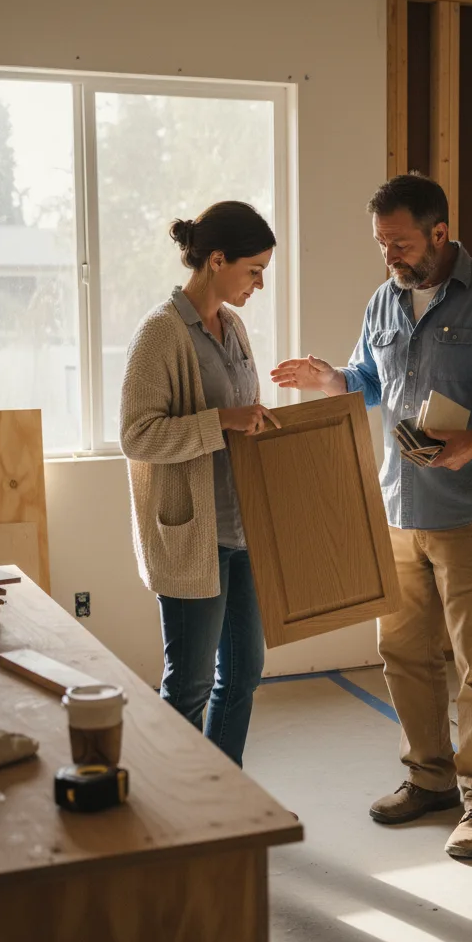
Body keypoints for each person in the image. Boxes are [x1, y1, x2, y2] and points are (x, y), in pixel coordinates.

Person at [271, 173, 472, 858]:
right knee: (403, 655)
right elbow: (371, 380)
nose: (389, 257)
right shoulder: (384, 301)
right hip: (399, 509)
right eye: (381, 244)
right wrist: (334, 382)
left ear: (440, 233)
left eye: (400, 243)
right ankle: (428, 779)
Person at [120, 201, 280, 768]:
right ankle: (176, 810)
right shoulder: (160, 335)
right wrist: (224, 423)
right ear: (217, 260)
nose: (259, 283)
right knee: (187, 686)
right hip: (193, 537)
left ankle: (222, 794)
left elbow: (240, 416)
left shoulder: (232, 327)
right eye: (253, 270)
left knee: (242, 674)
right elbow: (138, 437)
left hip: (243, 528)